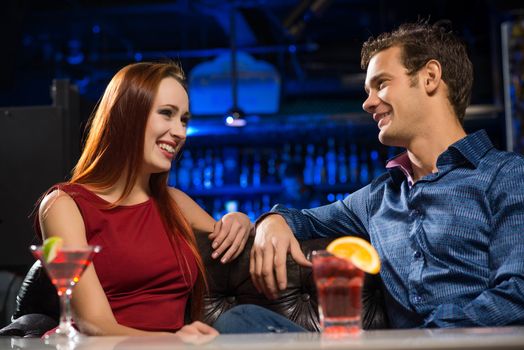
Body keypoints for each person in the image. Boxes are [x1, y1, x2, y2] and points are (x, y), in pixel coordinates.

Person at [248, 20, 524, 328]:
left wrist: (427, 340)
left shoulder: (506, 175)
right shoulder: (378, 197)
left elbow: (517, 294)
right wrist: (272, 221)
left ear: (430, 77)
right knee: (242, 320)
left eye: (381, 84)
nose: (367, 103)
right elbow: (304, 219)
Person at [36, 61, 253, 338]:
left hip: (174, 347)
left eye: (184, 120)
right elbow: (94, 323)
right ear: (127, 115)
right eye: (167, 114)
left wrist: (241, 220)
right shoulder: (64, 204)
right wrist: (176, 342)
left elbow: (231, 237)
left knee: (244, 321)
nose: (180, 132)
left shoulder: (175, 202)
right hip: (105, 348)